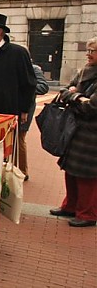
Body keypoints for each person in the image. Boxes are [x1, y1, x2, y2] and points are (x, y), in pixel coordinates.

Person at [49, 38, 97, 227]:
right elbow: (65, 90)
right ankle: (71, 206)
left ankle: (87, 214)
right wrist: (77, 96)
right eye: (88, 49)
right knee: (71, 170)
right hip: (76, 129)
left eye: (92, 50)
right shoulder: (84, 71)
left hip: (92, 134)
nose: (88, 53)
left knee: (87, 175)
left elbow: (92, 107)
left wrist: (74, 95)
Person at [18, 62, 49, 180]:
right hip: (10, 107)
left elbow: (43, 87)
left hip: (25, 109)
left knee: (20, 138)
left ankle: (22, 171)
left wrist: (26, 87)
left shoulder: (34, 69)